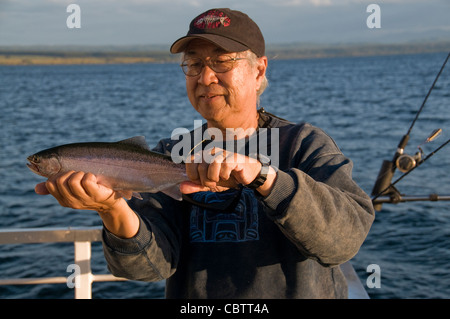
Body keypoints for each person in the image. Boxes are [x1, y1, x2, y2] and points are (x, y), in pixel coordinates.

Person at [35, 8, 374, 298]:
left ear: (259, 71)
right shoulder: (170, 154)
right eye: (193, 65)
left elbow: (344, 240)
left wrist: (264, 177)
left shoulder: (303, 143)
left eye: (221, 62)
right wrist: (111, 208)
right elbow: (149, 267)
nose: (205, 77)